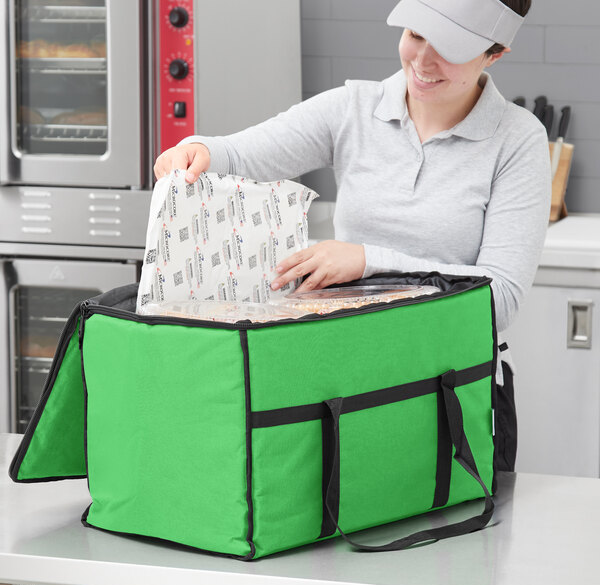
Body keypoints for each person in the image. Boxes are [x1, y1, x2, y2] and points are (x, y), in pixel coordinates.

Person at [154, 0, 551, 472]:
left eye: (449, 47)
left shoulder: (518, 140)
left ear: (495, 53)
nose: (422, 61)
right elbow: (243, 154)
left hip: (444, 390)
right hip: (342, 380)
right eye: (416, 35)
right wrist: (197, 150)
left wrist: (369, 261)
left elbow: (498, 298)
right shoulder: (354, 109)